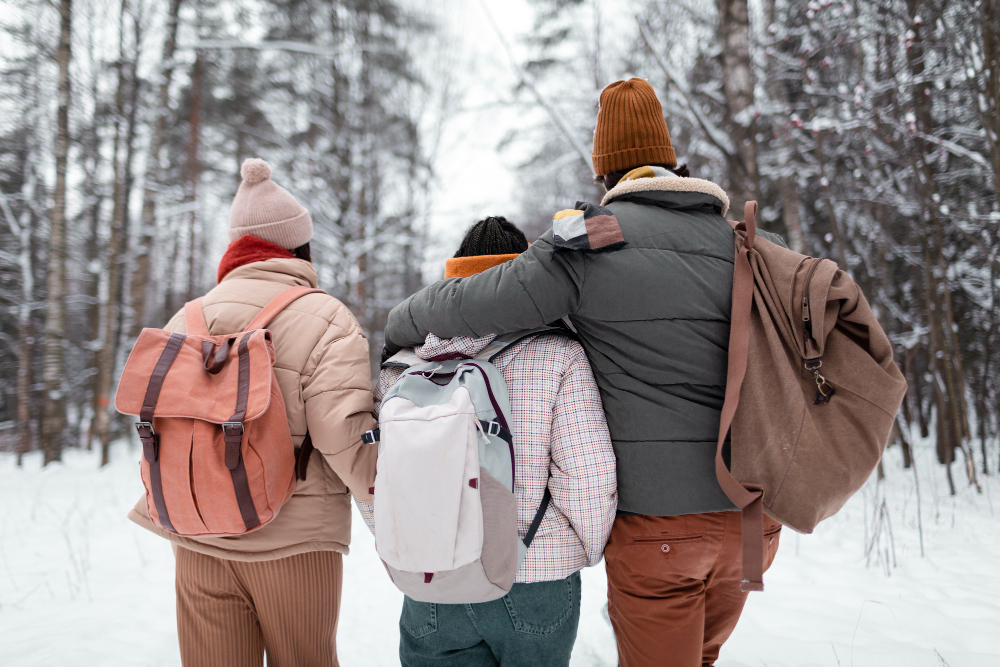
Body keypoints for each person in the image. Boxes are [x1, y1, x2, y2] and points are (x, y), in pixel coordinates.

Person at [382, 79, 785, 666]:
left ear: (605, 171)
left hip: (660, 530)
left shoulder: (594, 241)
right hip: (753, 525)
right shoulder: (751, 244)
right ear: (673, 161)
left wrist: (404, 322)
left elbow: (482, 301)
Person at [128, 158, 377, 667]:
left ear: (235, 249)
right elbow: (343, 434)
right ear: (299, 246)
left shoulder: (186, 318)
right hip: (293, 543)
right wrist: (397, 501)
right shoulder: (325, 316)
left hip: (196, 536)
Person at [357, 215, 617, 667]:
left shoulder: (399, 366)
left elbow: (373, 477)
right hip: (535, 576)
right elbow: (589, 476)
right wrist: (575, 551)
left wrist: (405, 541)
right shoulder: (559, 354)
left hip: (433, 574)